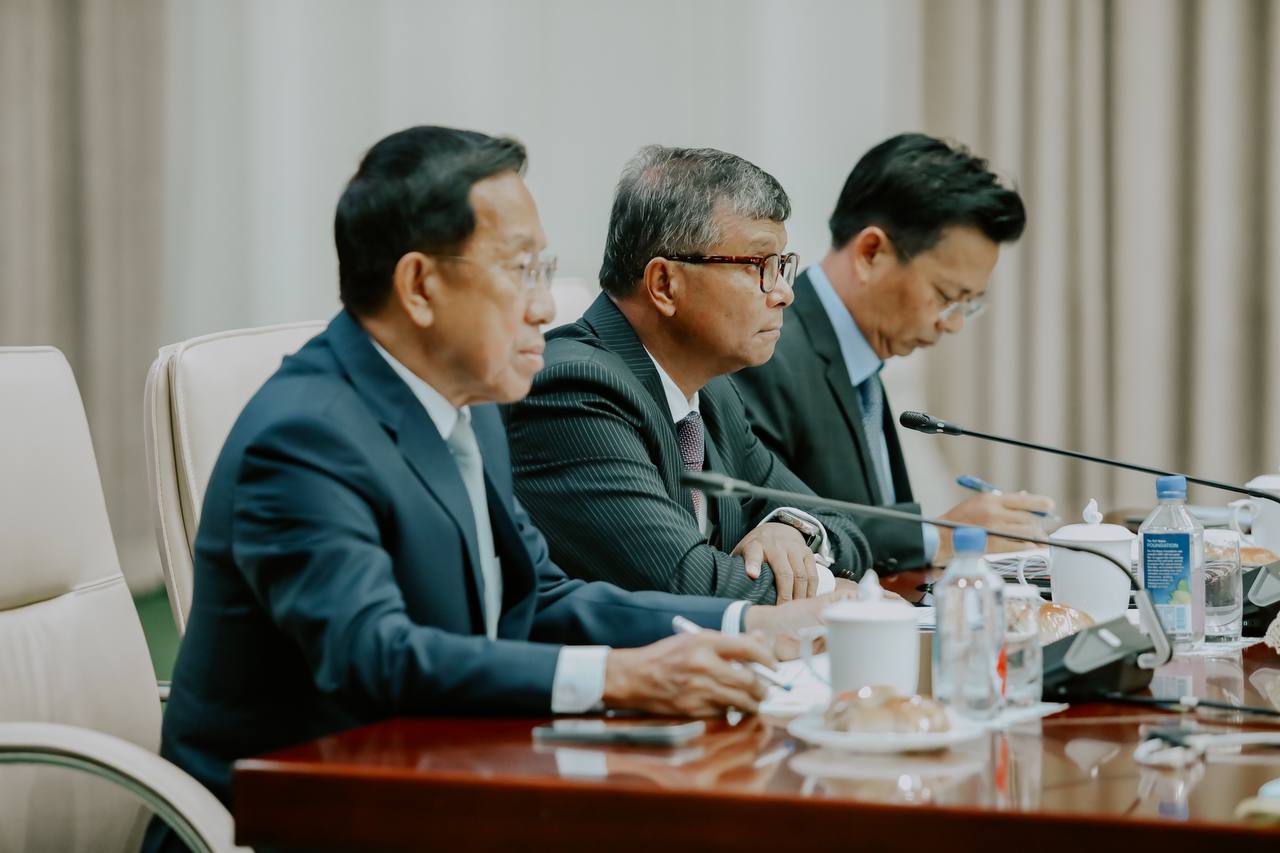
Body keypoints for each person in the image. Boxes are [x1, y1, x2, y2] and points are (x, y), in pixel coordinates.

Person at [146, 128, 843, 851]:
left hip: (443, 782)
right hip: (295, 818)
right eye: (520, 270)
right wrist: (618, 674)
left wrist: (746, 625)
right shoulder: (307, 433)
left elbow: (535, 598)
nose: (543, 307)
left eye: (544, 270)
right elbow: (375, 657)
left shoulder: (467, 409)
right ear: (420, 286)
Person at [503, 145, 872, 606]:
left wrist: (790, 531)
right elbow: (690, 584)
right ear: (664, 284)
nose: (783, 293)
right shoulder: (574, 390)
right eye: (759, 265)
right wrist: (828, 587)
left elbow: (844, 530)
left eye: (782, 266)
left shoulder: (714, 394)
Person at [732, 133, 1053, 594]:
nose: (952, 323)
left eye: (968, 304)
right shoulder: (770, 351)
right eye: (946, 296)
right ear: (871, 253)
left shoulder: (859, 359)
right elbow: (780, 521)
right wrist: (938, 535)